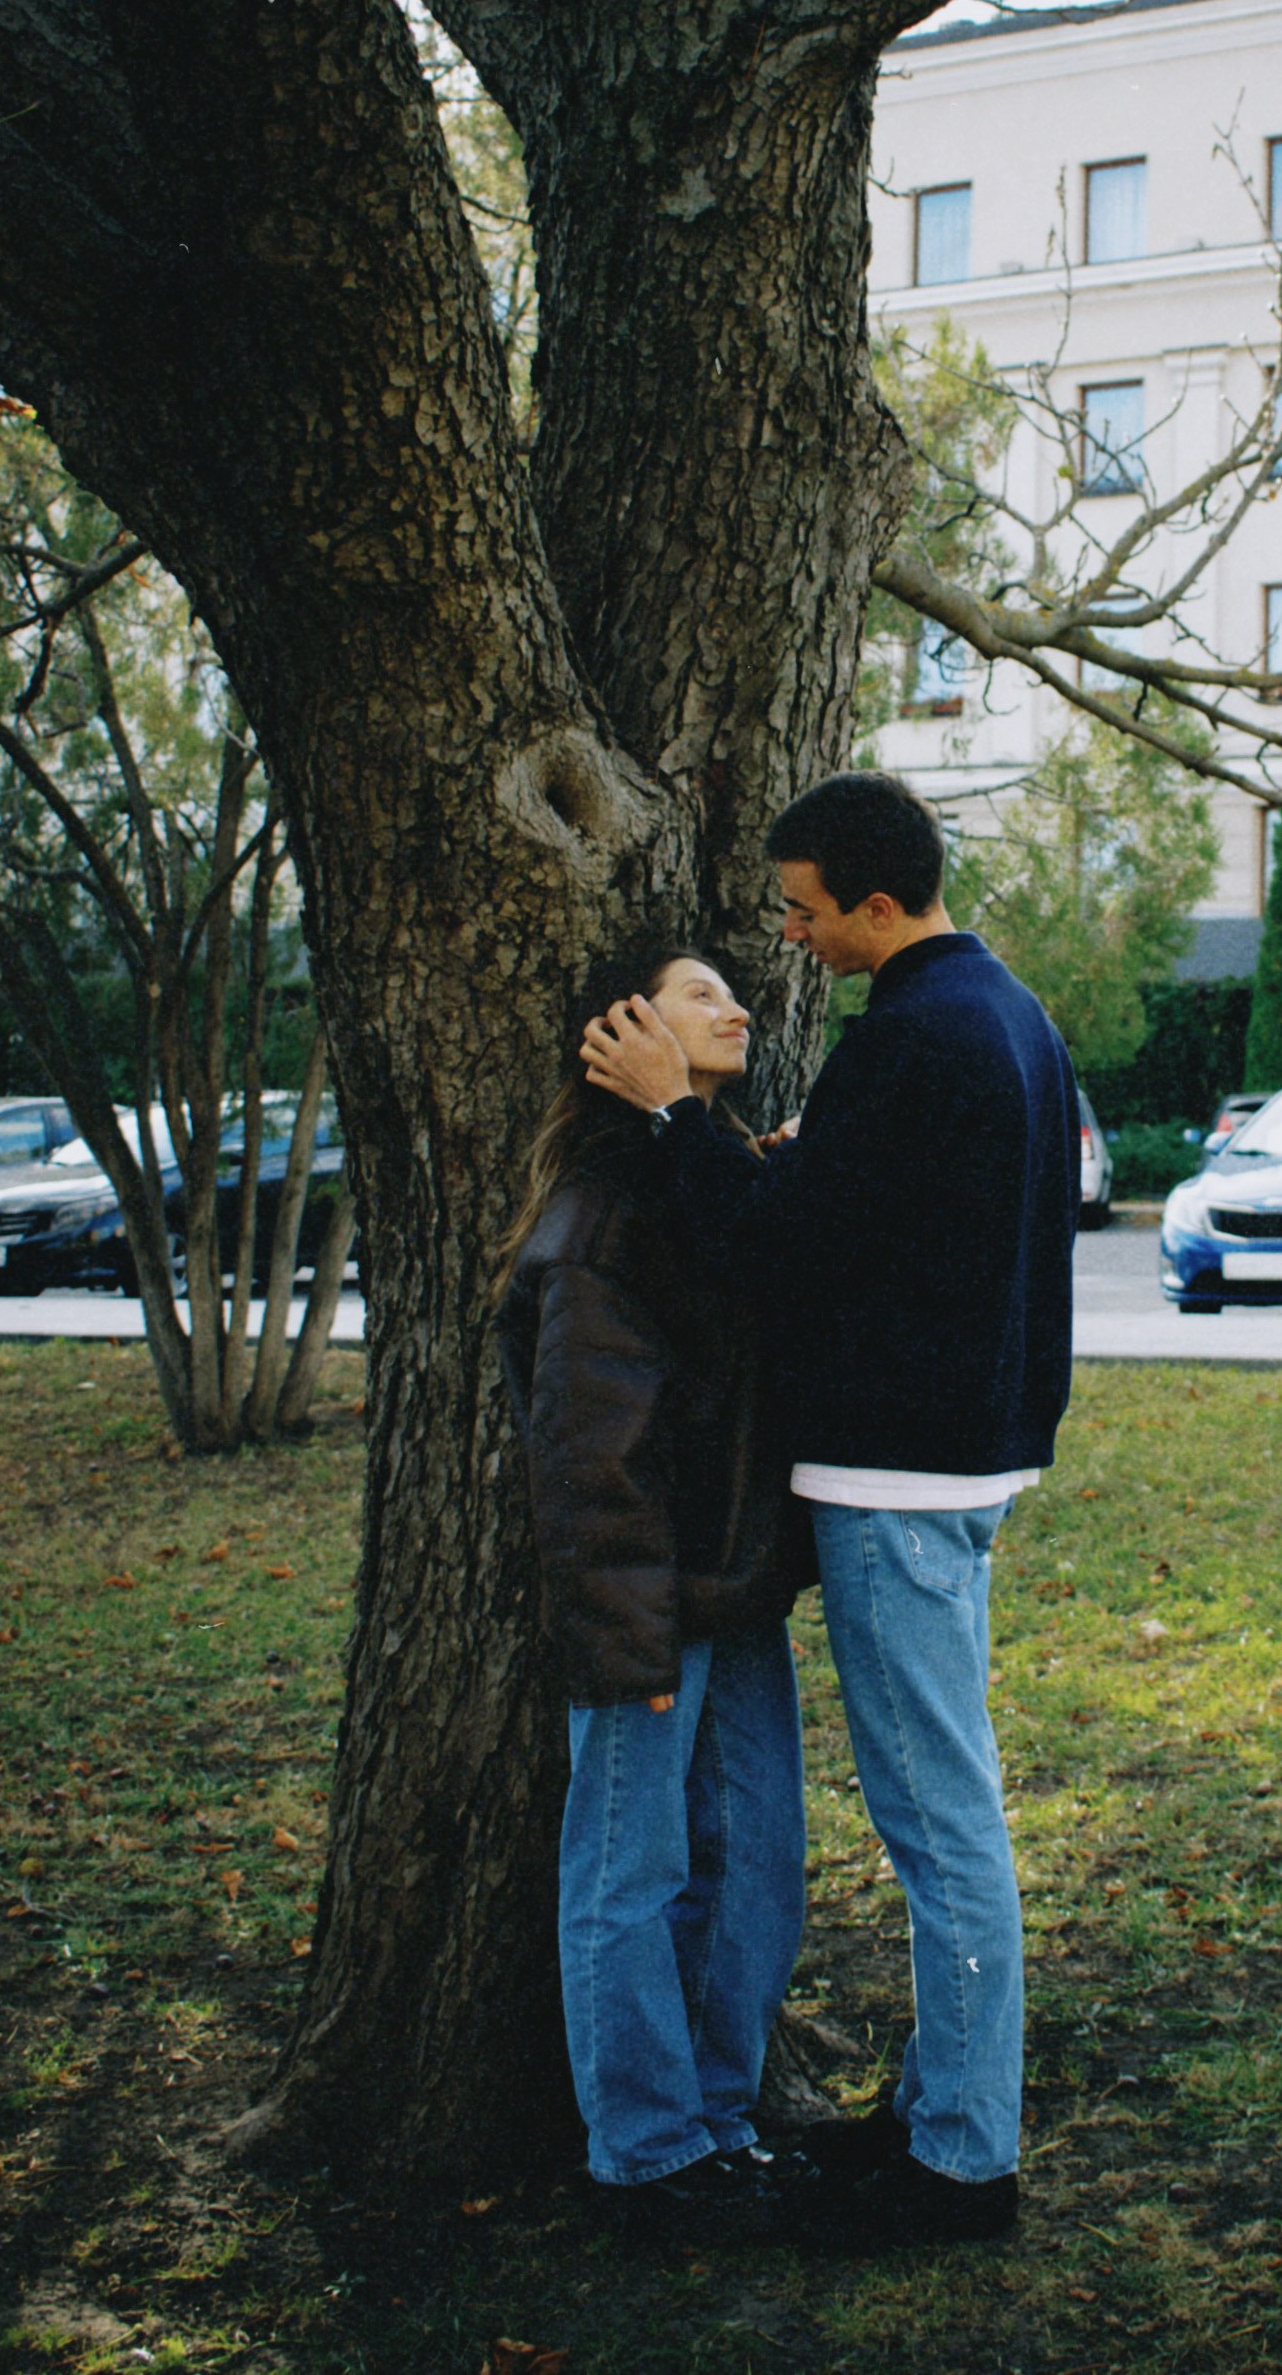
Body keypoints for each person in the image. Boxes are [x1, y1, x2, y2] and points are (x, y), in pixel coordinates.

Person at [580, 771, 1080, 2255]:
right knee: (948, 1806)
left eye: (802, 912)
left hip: (900, 1483)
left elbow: (774, 1257)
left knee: (940, 1824)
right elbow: (905, 1225)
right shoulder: (1008, 1016)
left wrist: (678, 1120)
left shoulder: (910, 1038)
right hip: (972, 1459)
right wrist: (803, 1168)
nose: (790, 940)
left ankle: (964, 2161)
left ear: (875, 902)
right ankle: (942, 2106)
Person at [493, 940, 815, 2244]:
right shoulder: (600, 1223)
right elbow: (588, 1462)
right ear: (627, 1027)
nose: (736, 1007)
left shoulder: (703, 1182)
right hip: (649, 1607)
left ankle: (721, 2126)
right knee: (630, 1873)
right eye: (700, 994)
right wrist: (634, 1640)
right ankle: (645, 2152)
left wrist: (771, 1177)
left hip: (735, 1600)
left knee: (757, 1868)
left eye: (732, 991)